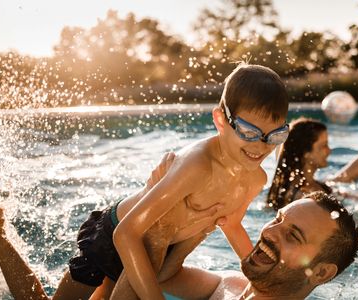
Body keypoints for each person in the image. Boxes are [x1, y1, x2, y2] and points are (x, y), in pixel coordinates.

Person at [25, 63, 289, 300]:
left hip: (158, 251)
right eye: (249, 132)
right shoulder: (198, 165)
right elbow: (126, 233)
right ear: (221, 120)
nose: (261, 146)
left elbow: (230, 224)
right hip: (112, 236)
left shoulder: (255, 179)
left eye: (275, 135)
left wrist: (268, 282)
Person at [0, 191, 358, 300]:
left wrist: (160, 218)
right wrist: (195, 226)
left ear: (323, 272)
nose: (270, 232)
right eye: (277, 220)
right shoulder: (231, 285)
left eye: (292, 235)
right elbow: (162, 276)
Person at [266, 117, 332, 210]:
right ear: (306, 153)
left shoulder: (317, 186)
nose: (329, 151)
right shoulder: (301, 196)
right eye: (324, 145)